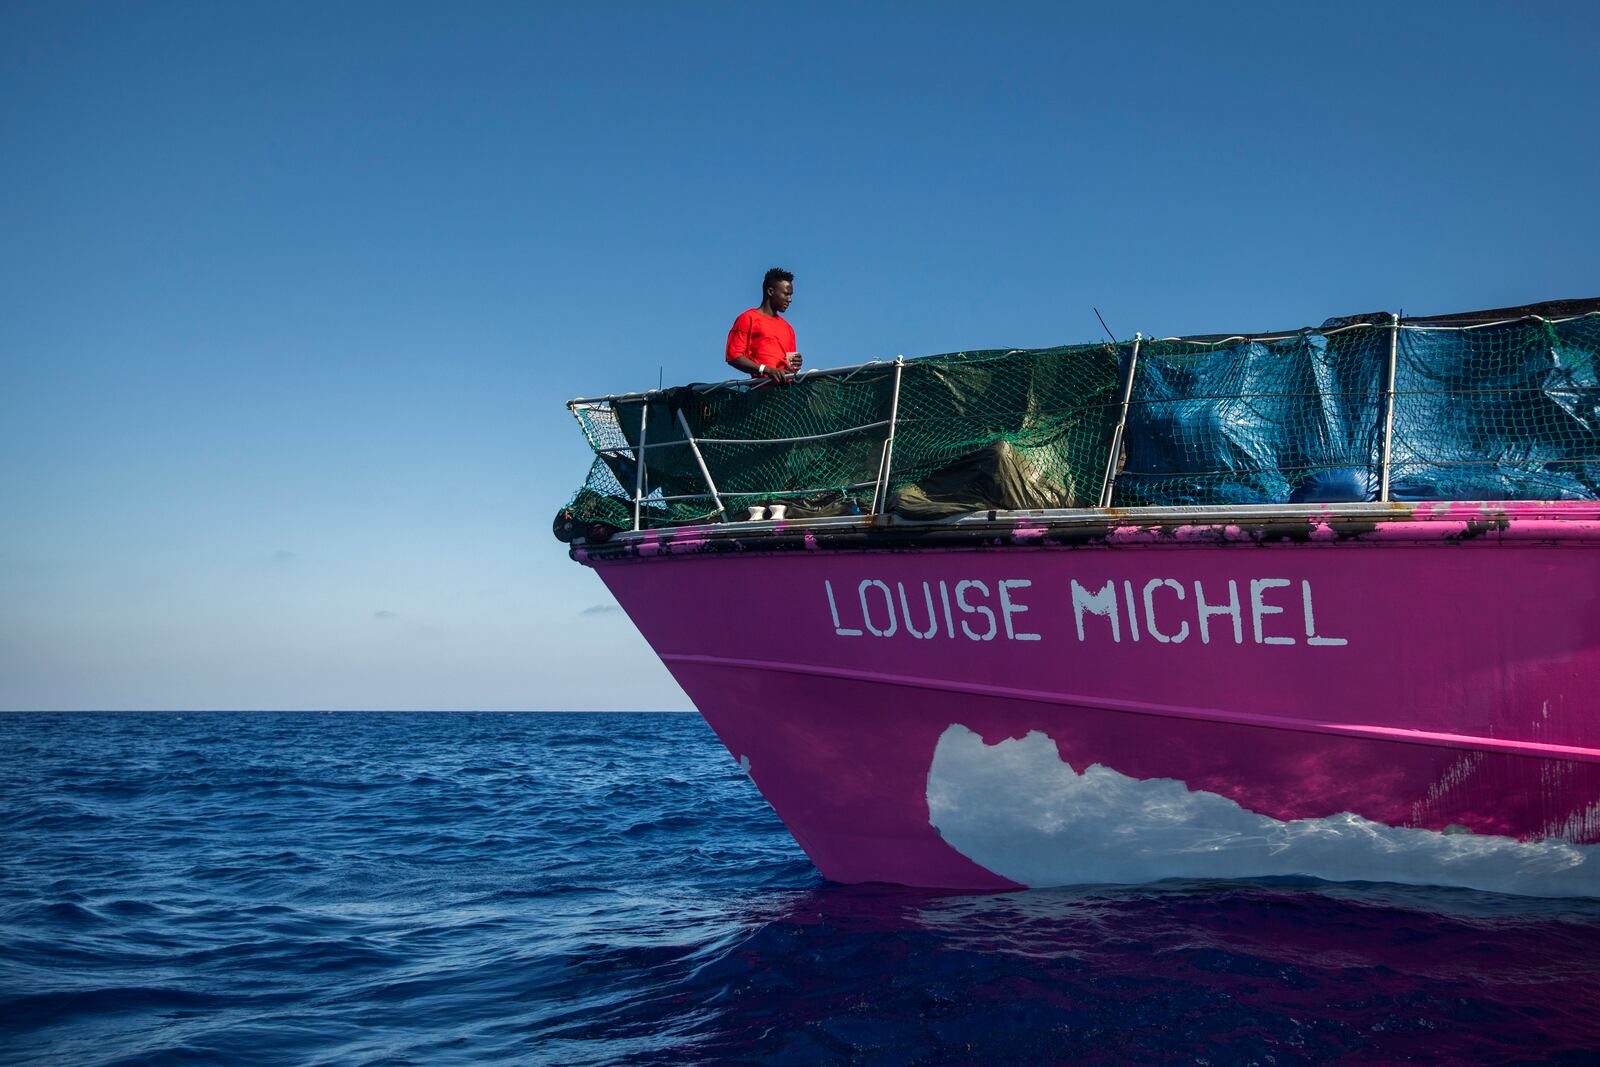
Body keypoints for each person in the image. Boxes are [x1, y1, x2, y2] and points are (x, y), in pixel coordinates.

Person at [725, 267, 804, 382]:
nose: (790, 299)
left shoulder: (788, 328)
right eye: (786, 294)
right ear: (771, 292)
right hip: (761, 391)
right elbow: (734, 357)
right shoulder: (748, 318)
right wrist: (767, 370)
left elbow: (790, 368)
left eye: (791, 295)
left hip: (787, 393)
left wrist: (795, 364)